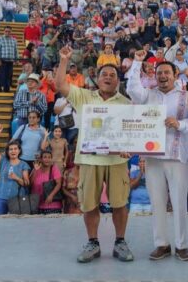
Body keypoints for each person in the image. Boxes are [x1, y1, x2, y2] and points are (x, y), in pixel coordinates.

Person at [55, 45, 135, 263]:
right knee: (89, 204)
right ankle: (93, 242)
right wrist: (64, 60)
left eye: (112, 75)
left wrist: (132, 147)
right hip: (90, 159)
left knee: (119, 203)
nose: (108, 77)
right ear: (96, 78)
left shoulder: (126, 103)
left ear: (118, 81)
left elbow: (132, 132)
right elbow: (60, 84)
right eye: (104, 74)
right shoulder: (83, 96)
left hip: (117, 159)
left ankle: (120, 241)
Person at [127, 50, 188, 262]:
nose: (163, 76)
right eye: (159, 73)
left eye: (167, 72)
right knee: (157, 202)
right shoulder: (148, 94)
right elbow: (131, 88)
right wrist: (137, 62)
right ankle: (161, 244)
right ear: (155, 76)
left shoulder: (186, 97)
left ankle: (182, 245)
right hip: (153, 158)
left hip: (178, 157)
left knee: (179, 202)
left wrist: (180, 124)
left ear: (176, 75)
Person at [0, 124, 30, 215]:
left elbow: (26, 183)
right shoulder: (3, 161)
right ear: (7, 152)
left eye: (15, 149)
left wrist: (17, 178)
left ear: (19, 151)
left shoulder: (24, 165)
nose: (13, 151)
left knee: (15, 224)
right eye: (10, 149)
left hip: (16, 198)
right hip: (1, 197)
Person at [30, 149, 63, 214]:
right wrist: (35, 170)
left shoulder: (54, 168)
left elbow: (59, 184)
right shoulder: (36, 168)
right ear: (40, 159)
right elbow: (30, 184)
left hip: (52, 205)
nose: (47, 159)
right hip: (37, 204)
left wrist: (51, 195)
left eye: (49, 157)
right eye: (45, 157)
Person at [0, 26, 18, 92]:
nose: (7, 32)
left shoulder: (14, 40)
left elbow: (16, 50)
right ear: (4, 31)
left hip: (10, 61)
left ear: (11, 32)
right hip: (2, 60)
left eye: (9, 31)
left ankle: (6, 89)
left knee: (9, 75)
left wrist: (16, 59)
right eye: (6, 31)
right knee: (1, 75)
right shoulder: (0, 39)